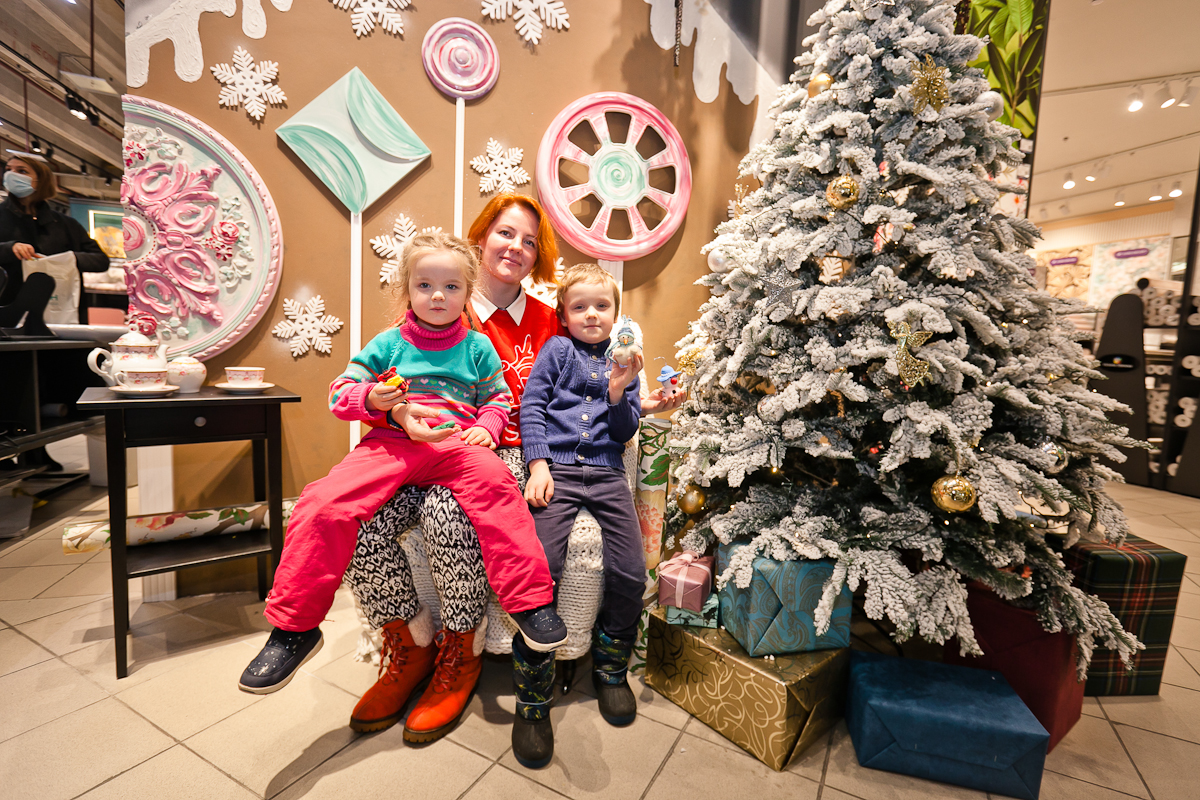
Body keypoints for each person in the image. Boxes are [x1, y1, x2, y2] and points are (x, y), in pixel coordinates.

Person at [343, 195, 685, 754]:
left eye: (529, 241)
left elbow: (602, 401)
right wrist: (392, 409)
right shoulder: (447, 302)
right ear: (480, 239)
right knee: (360, 518)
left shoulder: (555, 320)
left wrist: (632, 400)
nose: (516, 248)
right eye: (505, 233)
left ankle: (466, 654)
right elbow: (393, 377)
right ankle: (412, 646)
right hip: (444, 444)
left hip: (522, 454)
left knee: (449, 514)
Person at [237, 231, 566, 700]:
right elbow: (340, 394)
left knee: (498, 485)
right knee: (321, 501)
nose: (438, 296)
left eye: (451, 287)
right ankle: (294, 629)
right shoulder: (388, 343)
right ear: (407, 288)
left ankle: (530, 603)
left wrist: (488, 426)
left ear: (467, 293)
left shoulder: (477, 347)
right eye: (425, 285)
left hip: (456, 444)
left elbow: (498, 398)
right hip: (393, 443)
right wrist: (377, 399)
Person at [520, 263, 647, 733]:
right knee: (541, 568)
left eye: (601, 306)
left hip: (608, 474)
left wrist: (618, 391)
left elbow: (626, 430)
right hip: (558, 471)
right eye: (579, 307)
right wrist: (538, 464)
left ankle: (610, 666)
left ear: (616, 313)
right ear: (564, 315)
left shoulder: (626, 361)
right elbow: (532, 406)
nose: (591, 314)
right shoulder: (558, 350)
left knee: (631, 570)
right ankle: (533, 691)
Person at [0, 154, 110, 321]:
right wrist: (10, 249)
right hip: (8, 311)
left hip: (62, 313)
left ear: (41, 180)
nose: (11, 175)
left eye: (22, 171)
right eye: (8, 170)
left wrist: (69, 259)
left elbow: (101, 261)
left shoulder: (66, 224)